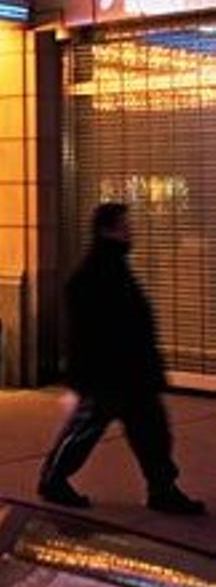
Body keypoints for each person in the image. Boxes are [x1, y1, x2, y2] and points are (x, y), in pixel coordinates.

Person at [38, 202, 205, 515]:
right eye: (124, 225)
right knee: (87, 429)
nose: (131, 231)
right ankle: (53, 479)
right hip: (111, 374)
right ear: (107, 229)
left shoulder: (115, 267)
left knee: (152, 431)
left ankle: (162, 488)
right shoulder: (95, 272)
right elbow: (90, 330)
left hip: (131, 373)